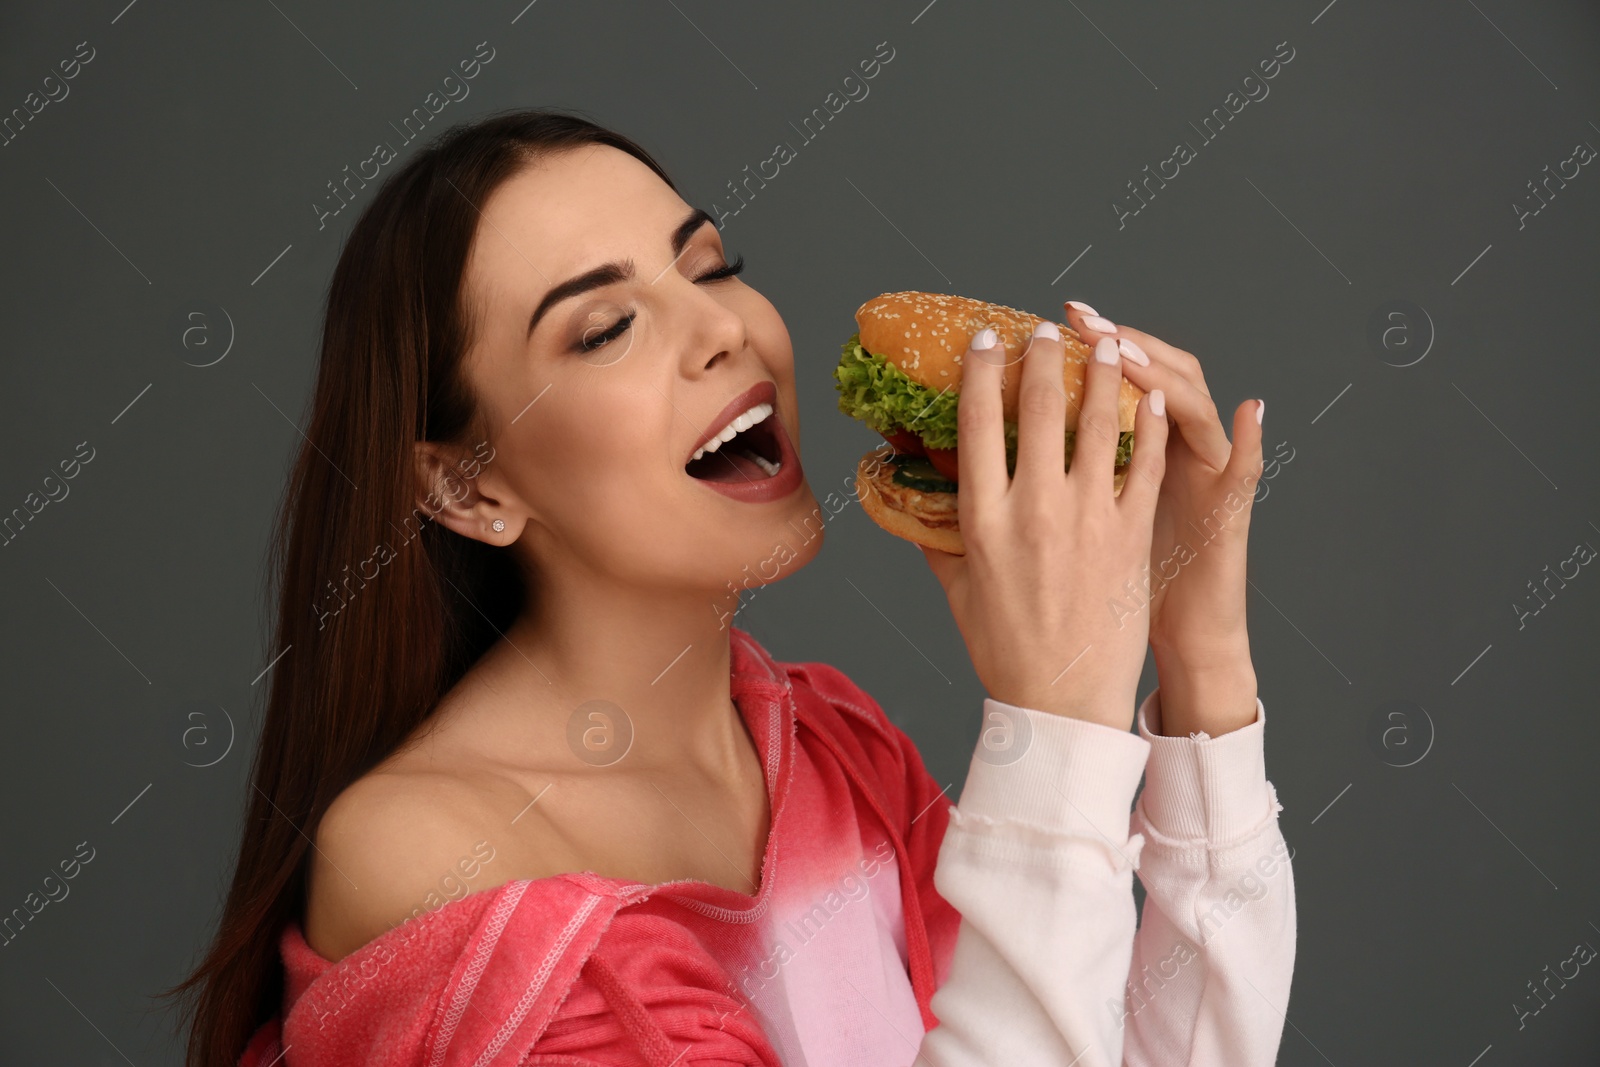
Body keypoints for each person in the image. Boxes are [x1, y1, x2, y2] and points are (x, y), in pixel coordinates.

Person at [162, 108, 1295, 1066]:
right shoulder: (426, 856)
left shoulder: (832, 747)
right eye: (605, 328)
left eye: (711, 266)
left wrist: (1197, 654)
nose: (720, 328)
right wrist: (1053, 723)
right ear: (467, 485)